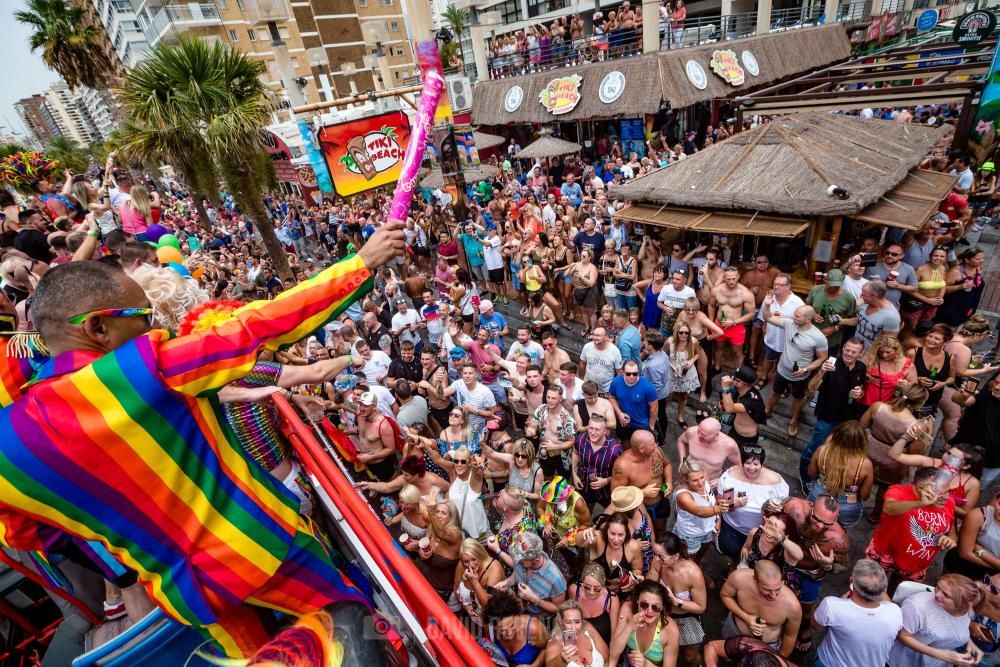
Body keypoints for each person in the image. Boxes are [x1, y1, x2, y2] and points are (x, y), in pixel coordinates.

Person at [0, 222, 404, 657]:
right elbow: (253, 328)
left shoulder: (8, 447)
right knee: (364, 636)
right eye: (144, 318)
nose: (156, 329)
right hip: (267, 551)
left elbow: (25, 535)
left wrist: (120, 541)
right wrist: (360, 264)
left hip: (189, 596)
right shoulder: (140, 369)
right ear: (98, 329)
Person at [865, 466, 958, 595]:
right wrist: (920, 503)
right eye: (941, 492)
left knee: (897, 595)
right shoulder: (898, 491)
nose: (946, 496)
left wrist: (950, 539)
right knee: (868, 590)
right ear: (921, 488)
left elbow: (951, 526)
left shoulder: (948, 502)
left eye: (948, 491)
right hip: (885, 554)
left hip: (916, 565)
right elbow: (889, 507)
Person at [800, 337, 868, 487]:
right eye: (847, 349)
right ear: (842, 347)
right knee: (815, 447)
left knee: (838, 449)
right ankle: (805, 477)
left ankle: (825, 473)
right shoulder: (830, 365)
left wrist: (860, 392)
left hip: (848, 419)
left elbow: (861, 387)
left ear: (861, 353)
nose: (849, 354)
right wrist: (821, 372)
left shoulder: (861, 368)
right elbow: (810, 390)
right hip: (827, 416)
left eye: (853, 352)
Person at [813, 559, 903, 667]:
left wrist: (840, 603)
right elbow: (887, 603)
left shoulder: (832, 606)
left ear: (852, 581)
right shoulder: (895, 612)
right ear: (884, 588)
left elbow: (816, 625)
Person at [761, 299, 829, 438]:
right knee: (775, 392)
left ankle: (793, 421)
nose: (794, 317)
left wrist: (806, 369)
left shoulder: (818, 337)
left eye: (798, 316)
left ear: (808, 319)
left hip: (800, 376)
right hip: (782, 370)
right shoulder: (789, 323)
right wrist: (767, 305)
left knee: (798, 398)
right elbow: (768, 317)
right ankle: (766, 411)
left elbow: (822, 358)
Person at [861, 385, 929, 520]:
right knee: (885, 488)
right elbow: (915, 451)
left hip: (869, 451)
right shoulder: (917, 426)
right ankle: (875, 515)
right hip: (892, 461)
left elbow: (862, 425)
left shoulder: (878, 407)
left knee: (860, 477)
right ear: (920, 404)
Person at [888, 574, 983, 666]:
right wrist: (941, 655)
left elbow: (956, 628)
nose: (936, 594)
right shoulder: (917, 606)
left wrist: (969, 643)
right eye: (937, 587)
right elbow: (901, 635)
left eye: (945, 595)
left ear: (965, 604)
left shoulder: (968, 612)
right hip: (905, 660)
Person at [717, 445, 791, 562]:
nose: (751, 468)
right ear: (742, 462)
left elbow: (782, 513)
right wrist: (733, 503)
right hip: (732, 527)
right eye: (747, 463)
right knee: (732, 552)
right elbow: (722, 506)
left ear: (762, 464)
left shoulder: (776, 484)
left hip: (762, 533)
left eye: (756, 464)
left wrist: (772, 510)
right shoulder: (731, 478)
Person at [647, 532, 708, 667]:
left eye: (661, 557)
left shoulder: (693, 573)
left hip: (686, 616)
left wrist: (676, 602)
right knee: (658, 652)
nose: (656, 559)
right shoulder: (658, 562)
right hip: (663, 613)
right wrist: (642, 584)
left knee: (690, 657)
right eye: (655, 554)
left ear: (675, 556)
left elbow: (701, 607)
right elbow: (650, 583)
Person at [719, 561, 802, 656]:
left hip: (765, 646)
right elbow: (725, 595)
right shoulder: (739, 578)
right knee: (726, 657)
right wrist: (746, 617)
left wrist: (780, 659)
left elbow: (790, 636)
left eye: (778, 589)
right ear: (755, 579)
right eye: (767, 590)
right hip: (734, 632)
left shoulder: (792, 605)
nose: (773, 596)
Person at [806, 421, 874, 527]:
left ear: (836, 435)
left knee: (814, 524)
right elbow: (865, 496)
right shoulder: (865, 464)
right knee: (839, 530)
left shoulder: (822, 451)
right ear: (862, 441)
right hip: (847, 507)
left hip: (819, 495)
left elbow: (811, 473)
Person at [417, 442, 490, 539]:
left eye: (463, 462)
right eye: (456, 461)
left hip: (477, 528)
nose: (459, 465)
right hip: (459, 528)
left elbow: (477, 470)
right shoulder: (453, 471)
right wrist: (425, 446)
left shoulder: (475, 477)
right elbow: (437, 459)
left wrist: (476, 462)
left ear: (469, 463)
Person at [610, 429, 673, 536]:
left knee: (661, 531)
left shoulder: (656, 451)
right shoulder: (623, 465)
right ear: (641, 449)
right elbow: (616, 494)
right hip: (638, 509)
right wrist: (642, 492)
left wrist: (669, 481)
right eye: (652, 444)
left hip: (660, 501)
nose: (656, 445)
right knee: (645, 535)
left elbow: (667, 464)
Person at [609, 580, 680, 667]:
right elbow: (614, 652)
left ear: (662, 608)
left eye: (655, 607)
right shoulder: (627, 610)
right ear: (637, 601)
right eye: (644, 604)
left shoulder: (670, 630)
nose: (649, 611)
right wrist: (629, 627)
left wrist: (646, 664)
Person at [505, 531, 568, 619]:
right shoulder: (521, 560)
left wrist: (534, 599)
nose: (518, 562)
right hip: (521, 613)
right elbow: (517, 574)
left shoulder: (555, 579)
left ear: (536, 559)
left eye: (522, 561)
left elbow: (558, 608)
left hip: (539, 620)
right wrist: (506, 583)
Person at [671, 458, 725, 561]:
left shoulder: (705, 484)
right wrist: (720, 509)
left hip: (709, 530)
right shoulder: (683, 495)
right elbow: (699, 511)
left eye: (702, 477)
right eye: (695, 480)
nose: (700, 483)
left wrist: (718, 520)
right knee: (687, 560)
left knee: (699, 556)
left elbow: (712, 503)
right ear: (685, 478)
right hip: (691, 535)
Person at [952, 375, 1000, 488]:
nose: (997, 387)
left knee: (972, 490)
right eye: (996, 382)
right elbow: (959, 400)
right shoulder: (984, 396)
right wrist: (963, 395)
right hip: (962, 452)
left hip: (991, 463)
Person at [578, 513, 644, 596]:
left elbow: (638, 569)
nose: (616, 539)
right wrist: (584, 534)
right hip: (592, 590)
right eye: (612, 534)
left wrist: (633, 578)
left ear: (626, 533)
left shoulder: (633, 546)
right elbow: (579, 542)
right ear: (606, 531)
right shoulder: (599, 538)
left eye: (620, 535)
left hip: (619, 593)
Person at [758, 273, 804, 389]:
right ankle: (763, 378)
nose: (776, 287)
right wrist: (765, 332)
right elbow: (763, 319)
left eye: (780, 284)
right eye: (775, 284)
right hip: (771, 338)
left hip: (788, 341)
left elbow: (803, 321)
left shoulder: (797, 302)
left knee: (786, 364)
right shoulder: (769, 299)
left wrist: (784, 318)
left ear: (788, 287)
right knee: (768, 359)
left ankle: (784, 384)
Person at [946, 488, 1000, 580]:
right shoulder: (979, 516)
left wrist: (981, 552)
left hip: (991, 581)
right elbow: (964, 553)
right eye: (999, 504)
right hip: (962, 571)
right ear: (995, 499)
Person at [485, 590, 550, 667]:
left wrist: (534, 665)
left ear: (518, 615)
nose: (509, 633)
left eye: (512, 625)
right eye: (502, 630)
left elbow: (547, 648)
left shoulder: (534, 628)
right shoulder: (490, 629)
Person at [416, 500, 464, 600]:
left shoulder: (455, 534)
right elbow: (425, 551)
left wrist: (431, 511)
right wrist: (422, 553)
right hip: (428, 581)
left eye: (443, 513)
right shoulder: (433, 528)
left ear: (451, 517)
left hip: (443, 591)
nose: (438, 515)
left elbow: (441, 533)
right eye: (437, 511)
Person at [572, 414, 623, 509]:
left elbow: (622, 474)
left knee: (609, 516)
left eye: (597, 429)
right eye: (591, 428)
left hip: (606, 492)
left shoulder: (615, 449)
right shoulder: (581, 439)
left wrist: (606, 481)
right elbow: (575, 453)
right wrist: (574, 475)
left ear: (605, 431)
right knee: (586, 512)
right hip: (585, 486)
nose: (593, 432)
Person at [453, 537, 505, 628]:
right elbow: (456, 587)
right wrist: (466, 606)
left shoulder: (494, 568)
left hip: (496, 616)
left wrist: (475, 582)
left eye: (474, 559)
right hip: (477, 616)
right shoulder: (461, 565)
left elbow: (489, 604)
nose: (471, 565)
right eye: (466, 561)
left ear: (480, 554)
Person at [528, 385, 578, 478]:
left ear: (560, 399)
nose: (550, 400)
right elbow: (533, 424)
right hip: (544, 453)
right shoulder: (541, 409)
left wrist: (555, 447)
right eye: (548, 397)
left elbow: (572, 441)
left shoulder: (567, 420)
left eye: (554, 398)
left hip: (561, 457)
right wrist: (532, 430)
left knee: (562, 483)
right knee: (547, 478)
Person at [676, 418, 740, 490]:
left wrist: (722, 479)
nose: (699, 436)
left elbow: (738, 466)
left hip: (709, 484)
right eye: (699, 431)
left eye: (703, 435)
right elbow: (681, 441)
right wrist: (682, 461)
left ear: (716, 435)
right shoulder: (692, 432)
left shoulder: (729, 445)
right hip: (687, 478)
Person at [711, 267, 756, 371]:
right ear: (724, 278)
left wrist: (734, 322)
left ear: (738, 277)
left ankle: (738, 373)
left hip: (736, 326)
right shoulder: (717, 290)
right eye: (728, 279)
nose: (731, 281)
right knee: (718, 347)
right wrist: (711, 322)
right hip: (719, 325)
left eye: (734, 278)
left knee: (737, 351)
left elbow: (751, 314)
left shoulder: (746, 293)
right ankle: (716, 369)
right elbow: (711, 305)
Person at [805, 269, 857, 355]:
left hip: (832, 341)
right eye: (831, 285)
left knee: (827, 365)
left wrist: (835, 328)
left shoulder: (849, 298)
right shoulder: (816, 290)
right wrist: (813, 314)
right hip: (811, 336)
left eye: (836, 286)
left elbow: (851, 319)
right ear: (825, 280)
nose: (833, 288)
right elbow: (805, 307)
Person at [545, 599, 610, 667]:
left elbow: (607, 659)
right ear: (561, 622)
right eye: (568, 622)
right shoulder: (555, 643)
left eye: (577, 622)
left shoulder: (589, 630)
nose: (574, 628)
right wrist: (562, 659)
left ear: (582, 620)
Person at [568, 563, 620, 647]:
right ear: (582, 582)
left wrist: (611, 658)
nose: (591, 592)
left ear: (603, 583)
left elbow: (614, 635)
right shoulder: (574, 591)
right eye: (587, 587)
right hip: (579, 644)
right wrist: (569, 645)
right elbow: (568, 621)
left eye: (597, 589)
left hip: (602, 647)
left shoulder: (611, 599)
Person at [608, 359, 658, 441]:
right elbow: (611, 397)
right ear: (623, 372)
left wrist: (651, 426)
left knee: (641, 448)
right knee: (625, 443)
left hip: (641, 424)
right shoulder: (616, 382)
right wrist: (619, 413)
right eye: (628, 374)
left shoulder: (648, 387)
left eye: (635, 374)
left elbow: (654, 408)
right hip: (624, 422)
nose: (632, 376)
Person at [718, 366, 767, 448]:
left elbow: (729, 408)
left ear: (740, 383)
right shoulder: (742, 390)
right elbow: (729, 400)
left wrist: (725, 387)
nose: (731, 378)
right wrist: (724, 402)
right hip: (734, 430)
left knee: (739, 460)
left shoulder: (751, 401)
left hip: (745, 439)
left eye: (734, 377)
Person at [846, 281, 902, 351]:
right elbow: (861, 320)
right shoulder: (865, 303)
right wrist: (841, 321)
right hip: (856, 350)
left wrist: (871, 357)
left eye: (864, 295)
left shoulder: (891, 317)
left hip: (870, 357)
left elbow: (888, 343)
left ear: (874, 297)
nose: (861, 296)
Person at [664, 321, 700, 426]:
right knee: (668, 396)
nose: (684, 335)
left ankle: (680, 417)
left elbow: (697, 354)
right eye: (681, 332)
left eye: (686, 332)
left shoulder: (693, 342)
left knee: (684, 396)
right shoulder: (670, 342)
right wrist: (673, 367)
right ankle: (660, 414)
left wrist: (691, 361)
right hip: (672, 372)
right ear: (676, 332)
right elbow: (663, 356)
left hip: (687, 373)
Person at [579, 326, 623, 396]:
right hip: (588, 387)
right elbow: (582, 363)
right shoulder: (587, 347)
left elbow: (620, 372)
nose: (595, 337)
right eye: (594, 335)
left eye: (598, 335)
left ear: (606, 337)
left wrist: (614, 388)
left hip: (606, 390)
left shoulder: (614, 351)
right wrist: (581, 380)